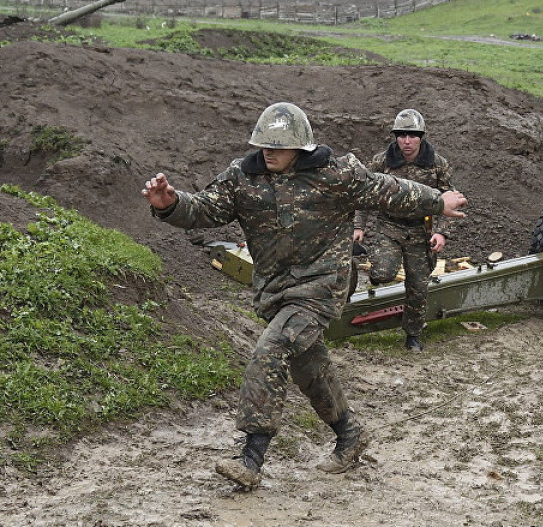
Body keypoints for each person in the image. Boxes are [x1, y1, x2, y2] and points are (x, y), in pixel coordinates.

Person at [141, 102, 467, 490]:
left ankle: (251, 456)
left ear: (302, 147)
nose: (269, 152)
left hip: (322, 287)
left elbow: (386, 190)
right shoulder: (242, 177)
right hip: (275, 291)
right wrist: (170, 204)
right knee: (309, 367)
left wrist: (437, 201)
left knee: (272, 348)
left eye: (278, 146)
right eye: (264, 144)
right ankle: (349, 433)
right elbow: (204, 209)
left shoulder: (335, 173)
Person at [352, 108, 454, 352]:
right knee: (383, 273)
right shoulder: (381, 162)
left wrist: (441, 232)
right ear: (395, 136)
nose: (407, 141)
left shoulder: (438, 165)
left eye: (413, 135)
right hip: (389, 227)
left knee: (418, 286)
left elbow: (450, 201)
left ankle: (413, 334)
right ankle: (377, 272)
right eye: (402, 135)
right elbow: (364, 195)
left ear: (422, 136)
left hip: (421, 233)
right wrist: (359, 227)